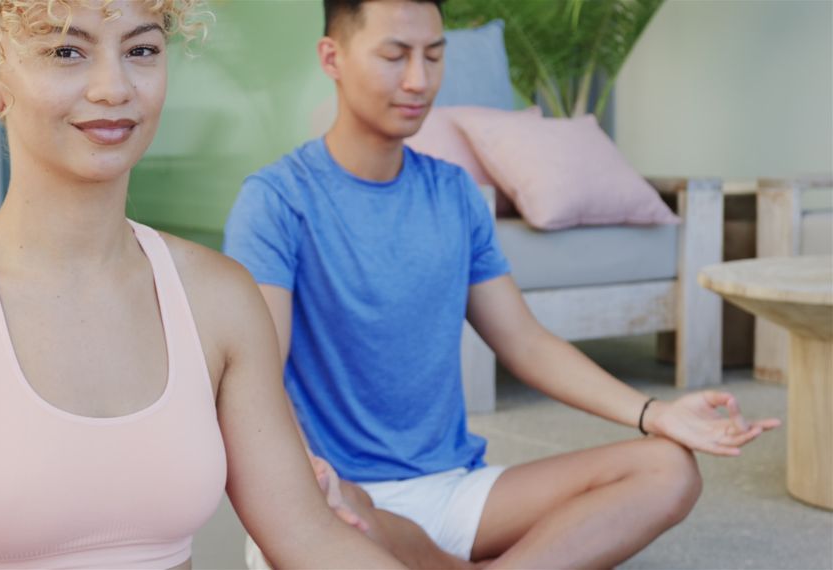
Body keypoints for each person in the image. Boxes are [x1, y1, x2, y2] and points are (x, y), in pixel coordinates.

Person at [0, 1, 405, 568]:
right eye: (67, 51)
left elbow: (308, 537)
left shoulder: (218, 299)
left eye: (142, 49)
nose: (114, 87)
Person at [223, 0, 782, 568]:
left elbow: (526, 342)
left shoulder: (453, 192)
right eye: (395, 56)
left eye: (434, 56)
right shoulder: (276, 200)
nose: (419, 80)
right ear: (332, 57)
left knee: (669, 469)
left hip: (459, 491)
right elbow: (259, 373)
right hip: (340, 494)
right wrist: (306, 479)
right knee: (329, 531)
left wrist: (653, 413)